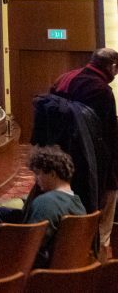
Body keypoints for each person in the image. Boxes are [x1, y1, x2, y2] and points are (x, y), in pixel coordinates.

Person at [0, 145, 86, 266]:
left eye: (38, 174)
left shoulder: (46, 203)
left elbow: (29, 249)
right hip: (55, 268)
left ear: (53, 174)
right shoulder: (79, 204)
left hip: (17, 271)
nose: (36, 180)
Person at [50, 47, 118, 257]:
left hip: (59, 160)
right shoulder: (101, 90)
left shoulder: (65, 78)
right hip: (93, 168)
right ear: (112, 67)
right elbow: (108, 137)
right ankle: (98, 266)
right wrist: (112, 178)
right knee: (100, 227)